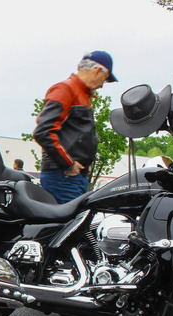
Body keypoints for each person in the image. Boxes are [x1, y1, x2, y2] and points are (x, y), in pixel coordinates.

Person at [33, 51, 117, 203]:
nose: (101, 86)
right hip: (63, 177)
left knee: (77, 223)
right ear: (97, 71)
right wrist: (68, 163)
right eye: (104, 80)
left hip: (72, 176)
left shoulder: (81, 94)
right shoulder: (65, 89)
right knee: (68, 225)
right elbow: (43, 131)